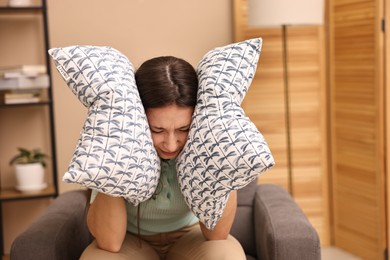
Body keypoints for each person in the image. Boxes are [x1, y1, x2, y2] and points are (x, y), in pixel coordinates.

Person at [80, 56, 246, 260]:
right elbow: (110, 243)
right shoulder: (118, 145)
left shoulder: (203, 141)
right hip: (130, 239)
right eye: (157, 129)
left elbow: (217, 234)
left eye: (183, 129)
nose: (171, 144)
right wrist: (116, 151)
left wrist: (221, 146)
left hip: (191, 235)